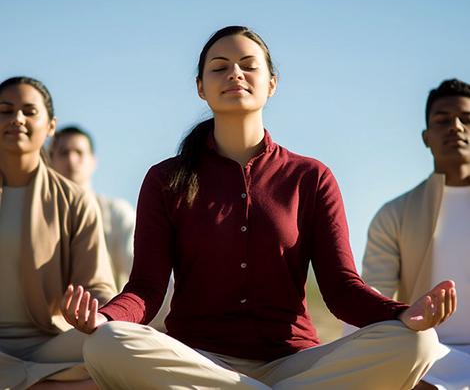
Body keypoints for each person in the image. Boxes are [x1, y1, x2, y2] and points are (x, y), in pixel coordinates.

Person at [64, 26, 456, 390]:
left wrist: (403, 314)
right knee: (104, 344)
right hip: (199, 360)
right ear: (201, 88)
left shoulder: (311, 176)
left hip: (295, 362)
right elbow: (146, 290)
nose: (235, 73)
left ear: (272, 84)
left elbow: (342, 289)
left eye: (248, 65)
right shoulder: (165, 179)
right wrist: (105, 318)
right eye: (220, 67)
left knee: (417, 344)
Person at [0, 76, 116, 390]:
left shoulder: (74, 200)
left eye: (29, 111)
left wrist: (91, 313)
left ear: (51, 126)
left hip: (50, 345)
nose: (17, 119)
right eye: (5, 110)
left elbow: (99, 286)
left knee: (121, 340)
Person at [362, 79, 470, 390]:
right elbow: (372, 301)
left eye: (466, 119)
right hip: (429, 357)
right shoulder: (395, 214)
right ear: (426, 137)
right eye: (443, 120)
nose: (456, 128)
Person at [49, 126, 172, 330]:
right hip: (54, 327)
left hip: (111, 320)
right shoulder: (40, 219)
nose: (71, 160)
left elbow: (145, 279)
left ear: (93, 161)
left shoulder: (116, 214)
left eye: (79, 152)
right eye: (63, 153)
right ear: (50, 160)